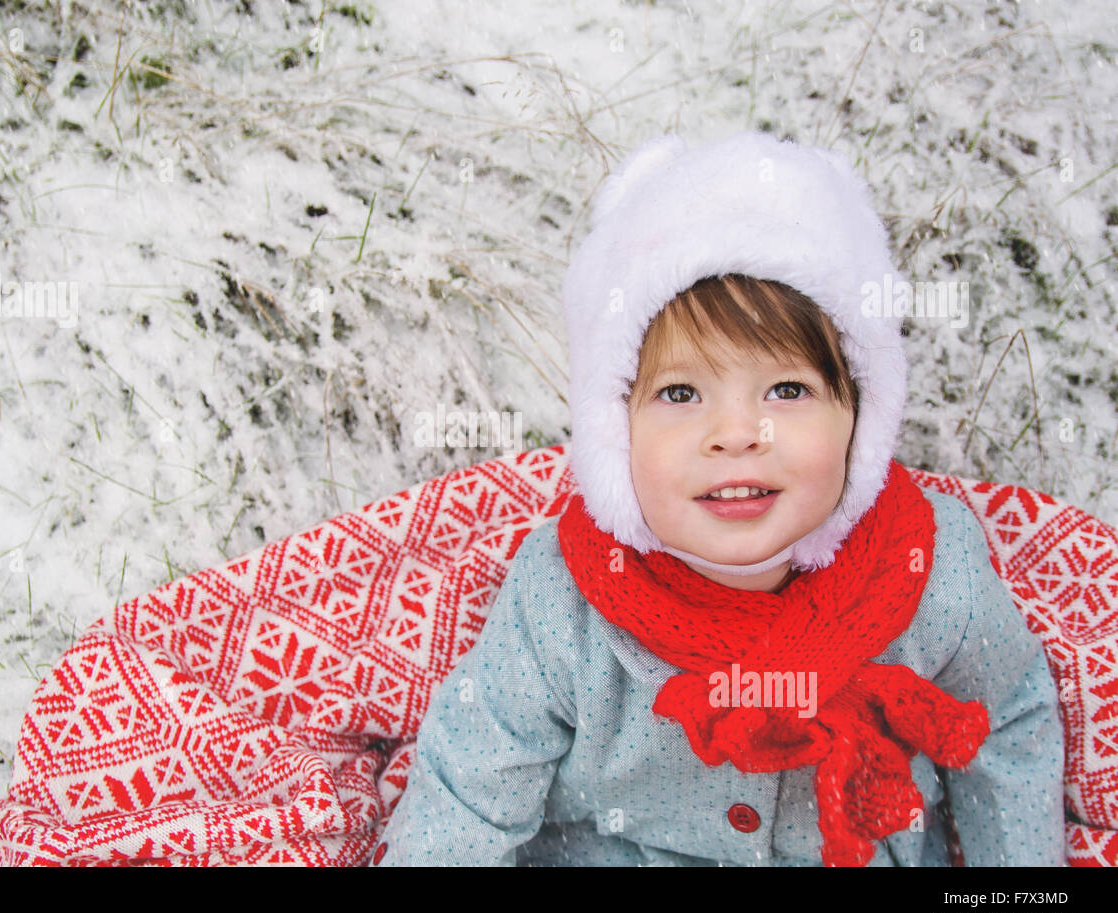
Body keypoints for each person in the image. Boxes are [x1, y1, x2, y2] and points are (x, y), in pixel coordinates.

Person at [371, 131, 1066, 866]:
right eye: (680, 392)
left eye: (787, 390)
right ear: (615, 434)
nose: (738, 433)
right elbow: (471, 781)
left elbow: (1006, 724)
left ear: (861, 418)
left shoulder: (928, 571)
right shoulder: (564, 600)